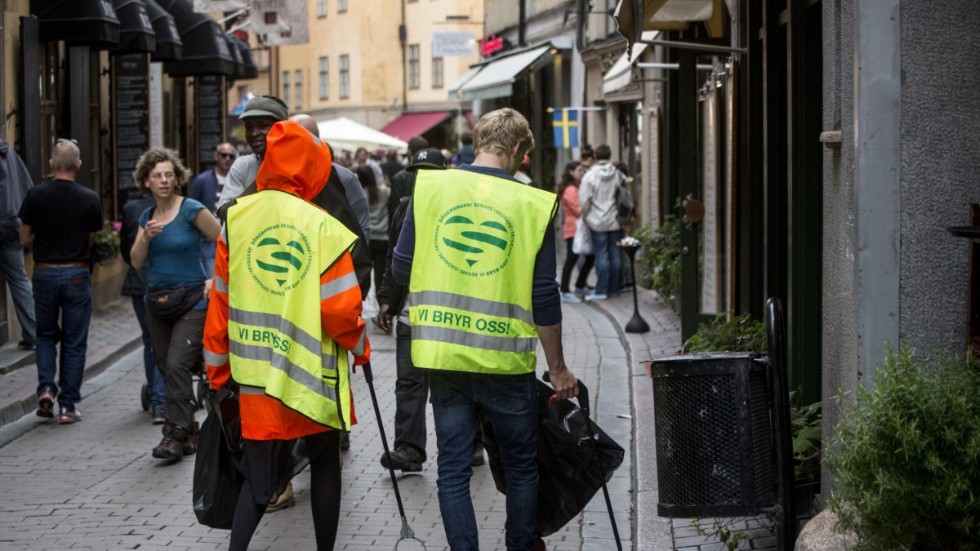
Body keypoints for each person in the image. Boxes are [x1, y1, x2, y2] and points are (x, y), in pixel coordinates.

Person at [391, 107, 578, 550]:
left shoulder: (431, 187)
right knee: (520, 464)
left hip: (444, 355)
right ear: (516, 148)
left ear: (479, 142)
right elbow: (545, 297)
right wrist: (558, 368)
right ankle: (520, 544)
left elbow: (401, 267)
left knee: (453, 467)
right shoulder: (533, 203)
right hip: (503, 362)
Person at [204, 120, 370, 551]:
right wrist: (360, 347)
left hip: (257, 379)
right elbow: (339, 309)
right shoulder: (323, 226)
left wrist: (218, 374)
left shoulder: (237, 221)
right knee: (324, 468)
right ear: (313, 166)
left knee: (260, 484)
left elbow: (219, 304)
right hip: (314, 377)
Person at [130, 147, 221, 461]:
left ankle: (174, 433)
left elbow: (223, 242)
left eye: (169, 174)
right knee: (165, 367)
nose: (164, 180)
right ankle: (190, 427)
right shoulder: (147, 217)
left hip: (193, 299)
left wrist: (214, 279)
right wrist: (145, 238)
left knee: (177, 363)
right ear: (147, 181)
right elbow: (136, 261)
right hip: (157, 301)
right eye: (157, 176)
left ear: (177, 177)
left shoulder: (191, 209)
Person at [19, 138, 102, 424]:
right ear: (78, 165)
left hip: (43, 271)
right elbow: (91, 238)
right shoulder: (89, 198)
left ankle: (45, 389)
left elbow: (23, 237)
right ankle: (67, 406)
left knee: (44, 335)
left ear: (52, 165)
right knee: (74, 341)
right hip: (76, 271)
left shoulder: (35, 195)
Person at [375, 147, 448, 473]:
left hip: (449, 316)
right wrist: (387, 300)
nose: (423, 179)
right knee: (408, 384)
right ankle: (408, 449)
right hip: (411, 314)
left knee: (455, 386)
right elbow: (394, 257)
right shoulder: (405, 209)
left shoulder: (454, 210)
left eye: (430, 173)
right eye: (418, 173)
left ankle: (471, 445)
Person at [120, 192, 165, 424]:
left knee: (150, 341)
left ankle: (158, 396)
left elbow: (125, 249)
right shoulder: (171, 207)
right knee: (158, 341)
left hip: (139, 280)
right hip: (160, 282)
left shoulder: (131, 208)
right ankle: (159, 400)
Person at [216, 96, 289, 218]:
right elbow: (225, 214)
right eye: (249, 127)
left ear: (282, 128)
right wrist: (262, 181)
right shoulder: (243, 166)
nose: (254, 133)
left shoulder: (301, 165)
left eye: (263, 126)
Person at [0, 137, 37, 350]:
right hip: (11, 222)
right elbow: (27, 185)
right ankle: (33, 334)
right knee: (19, 280)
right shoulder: (8, 151)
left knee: (19, 279)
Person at [579, 144, 626, 301]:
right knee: (615, 254)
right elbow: (625, 196)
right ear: (610, 155)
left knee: (601, 255)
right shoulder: (618, 175)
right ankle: (615, 289)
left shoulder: (590, 176)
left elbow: (584, 201)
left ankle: (602, 290)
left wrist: (587, 216)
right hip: (615, 220)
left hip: (596, 221)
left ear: (595, 156)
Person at [190, 142, 237, 277]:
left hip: (233, 237)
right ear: (217, 157)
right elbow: (192, 207)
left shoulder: (237, 180)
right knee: (212, 279)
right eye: (224, 155)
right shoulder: (202, 180)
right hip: (208, 240)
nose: (227, 159)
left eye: (231, 156)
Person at [557, 162, 595, 302]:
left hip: (577, 228)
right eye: (579, 170)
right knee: (571, 259)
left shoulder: (575, 187)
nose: (582, 172)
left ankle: (579, 286)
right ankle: (565, 291)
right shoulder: (571, 189)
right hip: (574, 229)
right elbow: (578, 210)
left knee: (588, 257)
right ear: (571, 172)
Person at [356, 163, 390, 295]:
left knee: (364, 272)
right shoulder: (384, 192)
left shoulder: (359, 194)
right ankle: (380, 300)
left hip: (366, 238)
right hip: (382, 238)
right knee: (380, 274)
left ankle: (362, 297)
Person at [386, 135, 429, 220]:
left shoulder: (399, 178)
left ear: (409, 151)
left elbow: (395, 208)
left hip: (406, 224)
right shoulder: (435, 175)